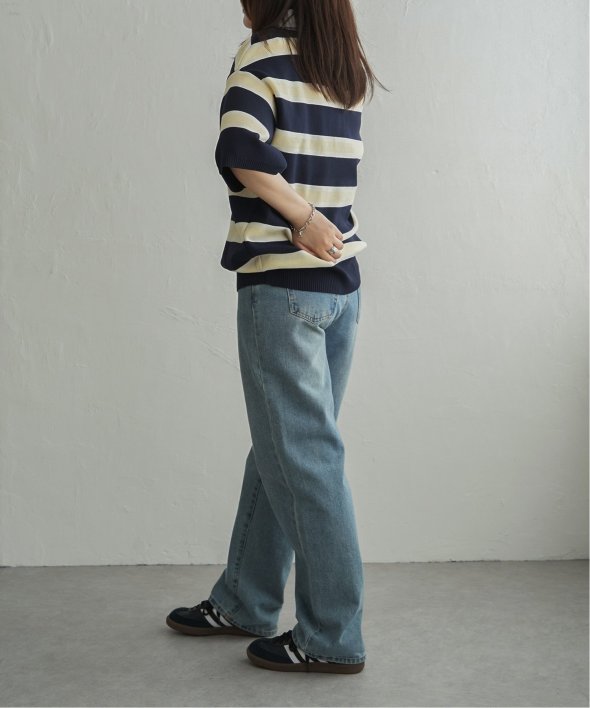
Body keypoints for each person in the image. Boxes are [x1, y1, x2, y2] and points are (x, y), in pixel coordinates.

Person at [166, 0, 385, 674]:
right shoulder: (342, 70)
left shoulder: (262, 58)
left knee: (305, 460)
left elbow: (240, 150)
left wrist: (300, 217)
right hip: (340, 289)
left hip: (284, 288)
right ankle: (246, 600)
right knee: (284, 451)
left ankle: (331, 637)